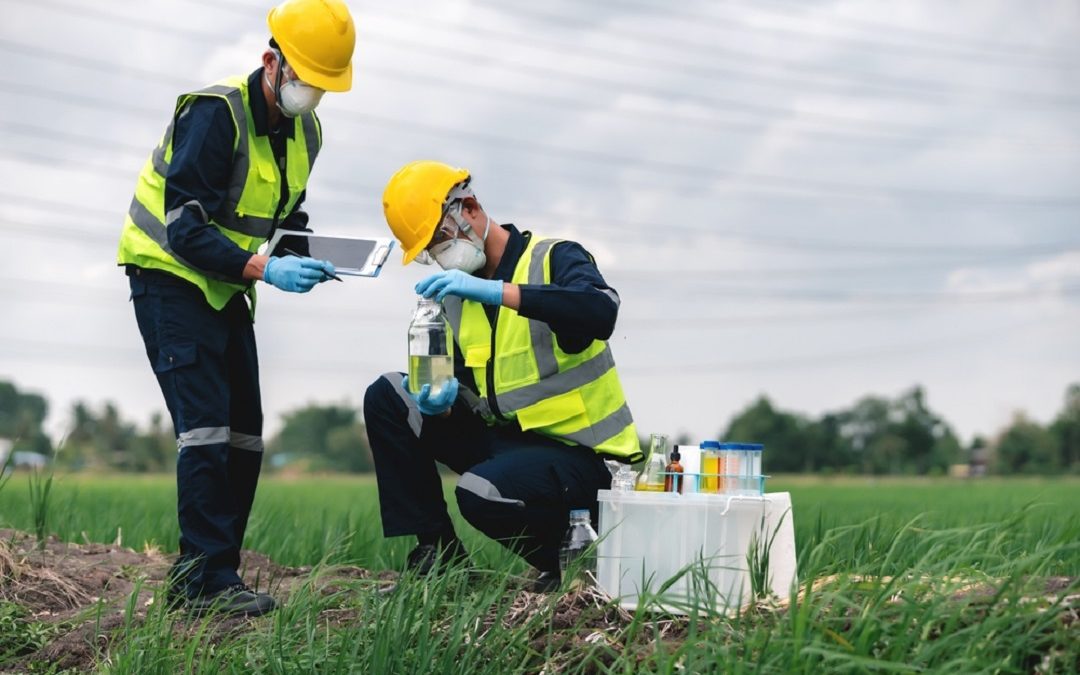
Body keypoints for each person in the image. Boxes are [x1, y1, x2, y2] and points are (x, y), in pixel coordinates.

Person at [115, 0, 356, 616]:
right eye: (304, 79)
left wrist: (308, 253)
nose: (312, 95)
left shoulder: (309, 133)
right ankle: (201, 587)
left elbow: (282, 219)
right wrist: (267, 269)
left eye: (322, 87)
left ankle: (214, 575)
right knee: (205, 431)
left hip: (226, 286)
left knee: (245, 435)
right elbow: (186, 228)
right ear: (270, 61)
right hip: (170, 276)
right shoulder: (214, 113)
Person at [365, 160, 643, 592]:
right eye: (429, 252)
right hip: (513, 446)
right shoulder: (457, 298)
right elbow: (470, 391)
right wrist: (437, 403)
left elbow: (599, 311)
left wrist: (501, 292)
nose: (440, 257)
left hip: (587, 463)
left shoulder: (553, 258)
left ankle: (578, 563)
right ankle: (439, 559)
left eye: (441, 239)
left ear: (470, 208)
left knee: (480, 491)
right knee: (387, 395)